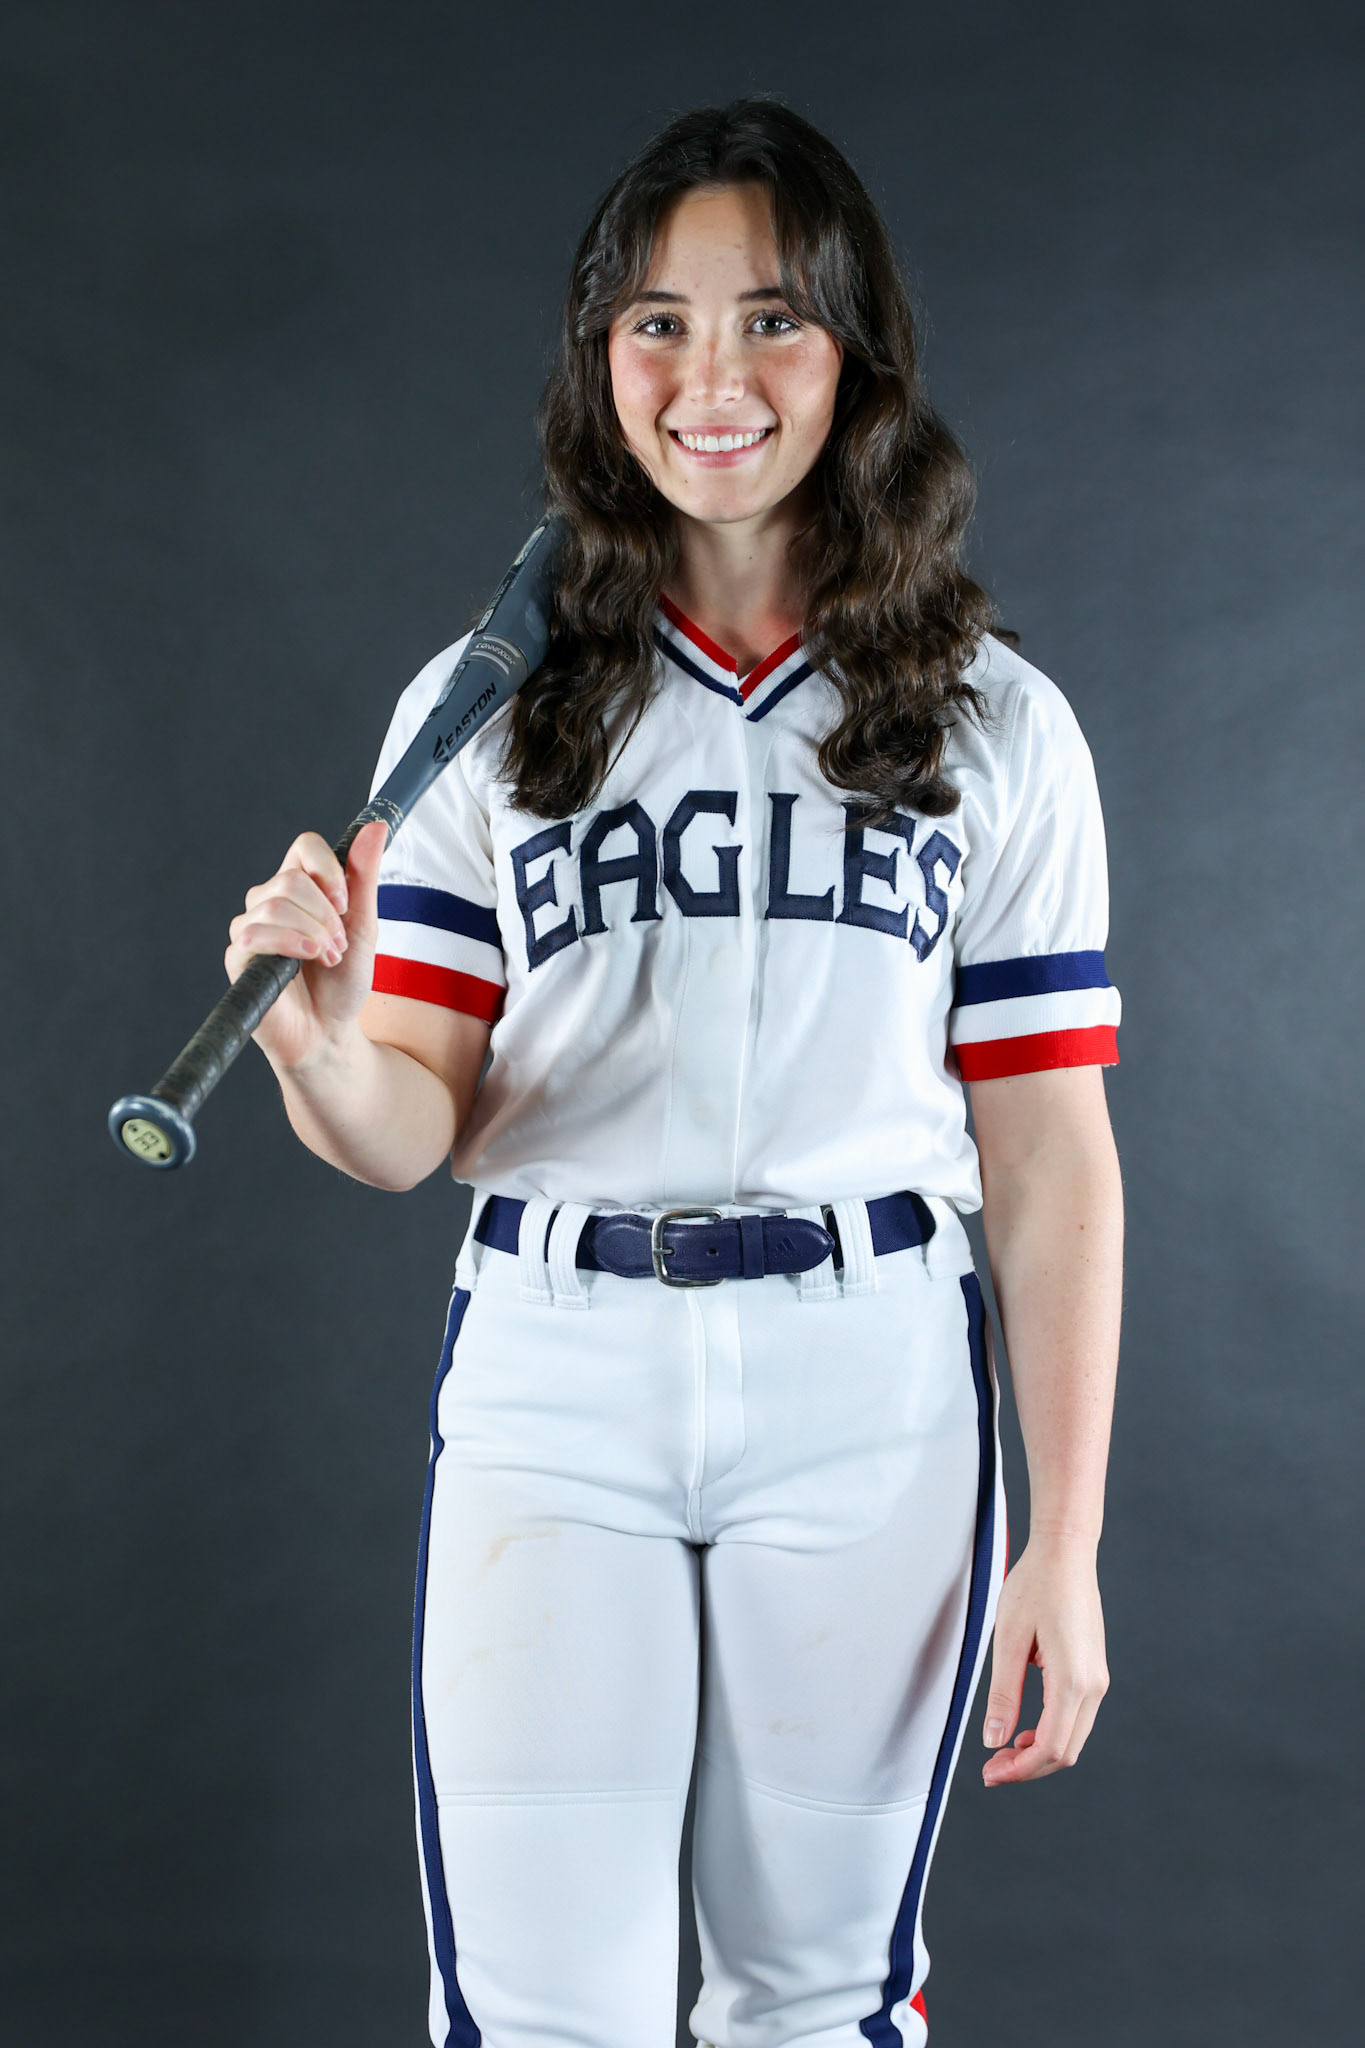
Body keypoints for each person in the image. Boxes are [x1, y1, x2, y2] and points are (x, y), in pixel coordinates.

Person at [225, 99, 1122, 2048]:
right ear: (594, 356)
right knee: (543, 2016)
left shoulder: (990, 717)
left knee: (815, 2000)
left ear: (857, 357)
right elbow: (407, 1129)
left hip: (872, 1369)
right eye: (654, 323)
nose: (708, 374)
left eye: (768, 321)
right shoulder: (483, 700)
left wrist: (1063, 1538)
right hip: (561, 1364)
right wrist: (306, 1034)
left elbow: (1047, 1150)